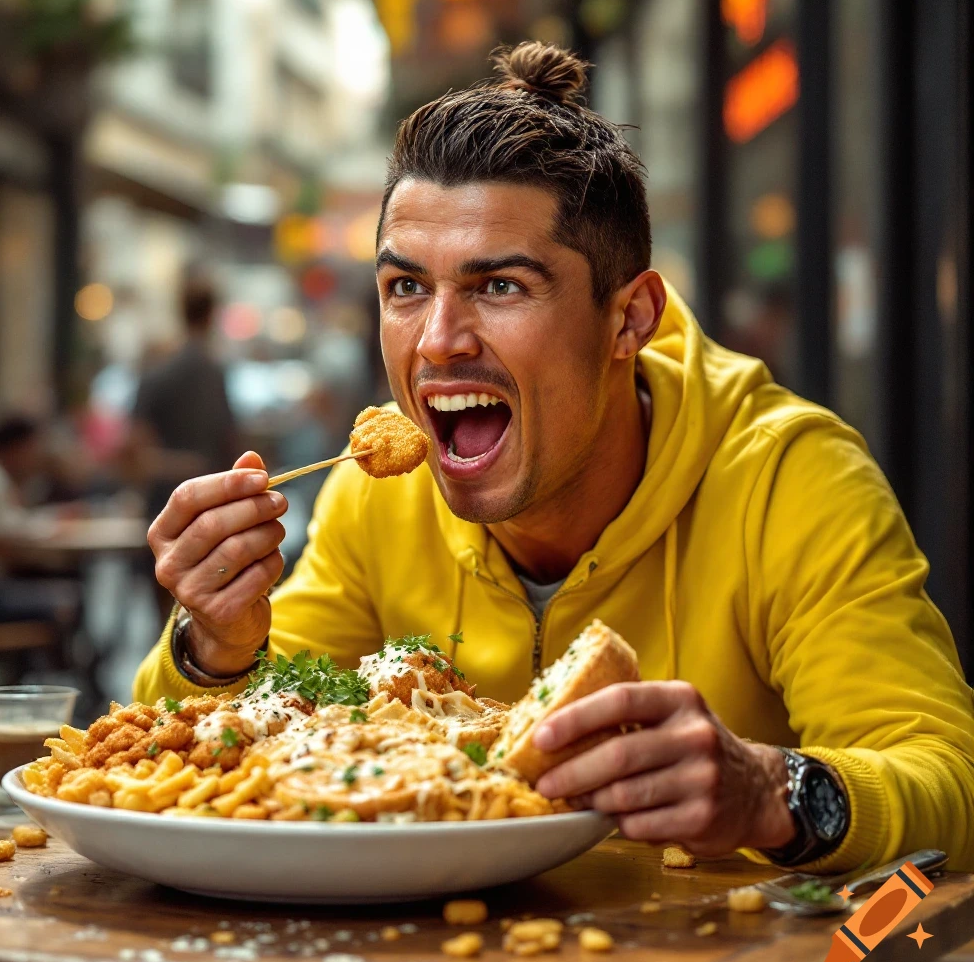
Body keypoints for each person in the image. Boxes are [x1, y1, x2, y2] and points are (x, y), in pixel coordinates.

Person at [132, 43, 974, 872]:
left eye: (501, 286)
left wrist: (771, 791)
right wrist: (218, 646)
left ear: (629, 319)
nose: (437, 343)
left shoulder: (788, 478)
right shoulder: (374, 497)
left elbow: (952, 784)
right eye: (406, 288)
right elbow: (176, 761)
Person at [123, 273, 240, 619]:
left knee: (164, 613)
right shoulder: (215, 373)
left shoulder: (158, 373)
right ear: (212, 314)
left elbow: (133, 448)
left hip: (163, 503)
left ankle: (164, 669)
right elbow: (231, 440)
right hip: (213, 503)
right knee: (205, 612)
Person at [0, 415, 79, 628]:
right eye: (32, 450)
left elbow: (7, 526)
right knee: (69, 598)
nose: (36, 459)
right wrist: (46, 541)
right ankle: (53, 661)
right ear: (16, 448)